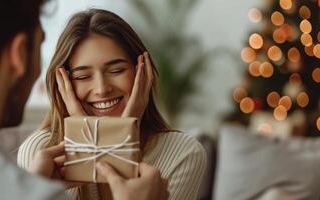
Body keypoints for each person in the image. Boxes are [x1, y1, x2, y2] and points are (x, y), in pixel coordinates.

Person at [0, 0, 168, 199]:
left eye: (116, 70)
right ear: (19, 54)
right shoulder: (28, 186)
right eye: (41, 45)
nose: (101, 89)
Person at [18, 9, 207, 200]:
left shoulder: (184, 153)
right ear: (63, 84)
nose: (101, 89)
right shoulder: (39, 154)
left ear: (142, 73)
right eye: (83, 76)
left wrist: (123, 135)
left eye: (116, 70)